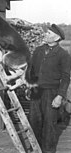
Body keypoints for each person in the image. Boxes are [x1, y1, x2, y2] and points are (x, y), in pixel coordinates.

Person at [29, 24, 71, 153]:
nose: (45, 35)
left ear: (56, 37)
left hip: (51, 93)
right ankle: (35, 149)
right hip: (36, 91)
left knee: (49, 124)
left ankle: (48, 151)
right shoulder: (38, 51)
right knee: (34, 122)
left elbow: (66, 77)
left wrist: (59, 96)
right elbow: (31, 70)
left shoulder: (63, 55)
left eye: (48, 33)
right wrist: (29, 85)